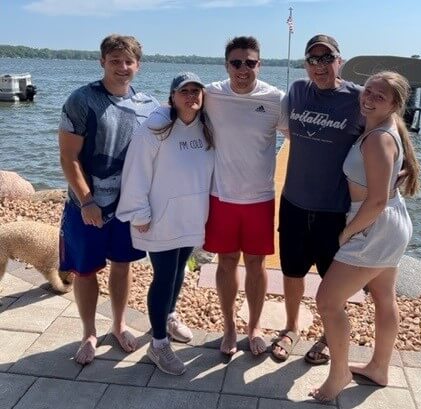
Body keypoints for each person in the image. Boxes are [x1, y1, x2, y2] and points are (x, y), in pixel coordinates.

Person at [310, 70, 419, 401]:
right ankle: (379, 368)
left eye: (379, 96)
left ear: (395, 105)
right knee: (384, 295)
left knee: (327, 301)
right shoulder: (386, 130)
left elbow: (376, 200)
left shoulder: (379, 138)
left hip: (373, 225)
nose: (369, 98)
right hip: (392, 222)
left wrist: (346, 234)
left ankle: (339, 373)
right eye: (367, 91)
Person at [58, 34, 159, 365]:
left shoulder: (149, 106)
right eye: (115, 61)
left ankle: (118, 324)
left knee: (123, 264)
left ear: (138, 65)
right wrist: (87, 201)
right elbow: (68, 158)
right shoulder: (81, 100)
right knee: (85, 271)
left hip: (127, 208)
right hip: (85, 206)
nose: (122, 67)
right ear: (102, 62)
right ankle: (88, 331)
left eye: (129, 61)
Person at [271, 34, 365, 362]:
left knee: (332, 278)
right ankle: (292, 326)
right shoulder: (297, 91)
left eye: (327, 58)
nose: (320, 66)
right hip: (294, 202)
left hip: (334, 209)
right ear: (305, 64)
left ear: (340, 61)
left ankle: (330, 333)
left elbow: (386, 136)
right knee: (292, 271)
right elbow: (277, 125)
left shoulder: (358, 98)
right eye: (313, 59)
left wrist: (393, 179)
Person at [116, 72, 214, 375]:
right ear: (172, 97)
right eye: (184, 91)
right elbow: (136, 172)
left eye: (196, 91)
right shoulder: (154, 128)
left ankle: (169, 317)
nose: (191, 96)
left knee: (180, 272)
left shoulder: (207, 128)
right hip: (159, 218)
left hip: (191, 217)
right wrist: (140, 213)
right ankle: (158, 346)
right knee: (164, 276)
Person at [203, 36, 288, 356]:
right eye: (236, 63)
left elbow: (303, 138)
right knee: (226, 263)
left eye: (250, 62)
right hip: (221, 197)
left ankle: (253, 328)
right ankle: (228, 329)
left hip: (260, 199)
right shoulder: (211, 94)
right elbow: (176, 115)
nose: (243, 69)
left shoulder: (276, 98)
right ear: (226, 65)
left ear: (259, 64)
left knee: (256, 264)